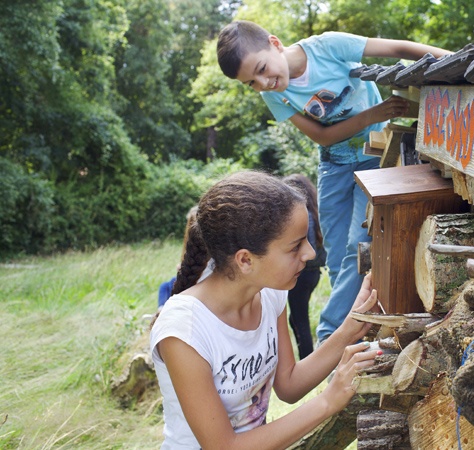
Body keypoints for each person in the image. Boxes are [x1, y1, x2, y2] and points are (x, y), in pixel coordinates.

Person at [216, 21, 452, 342]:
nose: (263, 83)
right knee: (338, 258)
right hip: (333, 166)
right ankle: (358, 331)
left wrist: (456, 61)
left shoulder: (327, 47)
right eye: (251, 83)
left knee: (358, 245)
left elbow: (398, 48)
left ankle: (330, 336)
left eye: (261, 69)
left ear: (275, 43)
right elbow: (323, 136)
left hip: (373, 159)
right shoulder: (275, 94)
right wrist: (374, 113)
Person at [149, 170, 381, 449]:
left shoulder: (269, 294)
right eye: (295, 247)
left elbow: (289, 384)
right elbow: (225, 446)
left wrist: (349, 330)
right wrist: (328, 401)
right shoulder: (184, 330)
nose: (309, 254)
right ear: (245, 260)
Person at [283, 173, 326, 359]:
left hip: (302, 274)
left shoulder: (304, 215)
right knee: (296, 318)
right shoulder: (316, 213)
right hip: (313, 274)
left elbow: (303, 248)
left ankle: (307, 360)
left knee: (299, 320)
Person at [157, 205, 199, 310]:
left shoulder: (197, 243)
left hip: (195, 281)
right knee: (165, 286)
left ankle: (162, 310)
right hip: (191, 277)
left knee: (167, 286)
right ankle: (161, 309)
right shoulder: (192, 244)